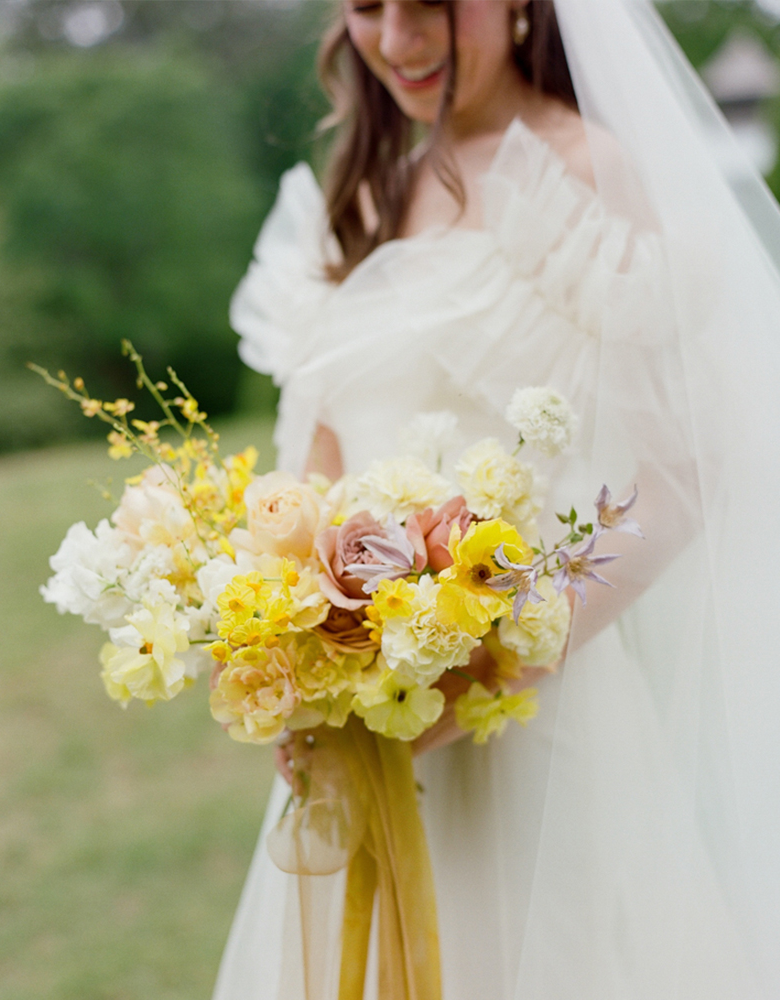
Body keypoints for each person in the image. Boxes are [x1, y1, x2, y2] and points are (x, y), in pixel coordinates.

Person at [215, 1, 780, 997]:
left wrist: (501, 652)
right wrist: (294, 655)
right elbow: (314, 474)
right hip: (367, 729)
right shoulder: (352, 195)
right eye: (365, 8)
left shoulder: (581, 171)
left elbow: (686, 472)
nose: (398, 41)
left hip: (541, 734)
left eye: (431, 3)